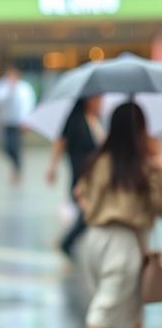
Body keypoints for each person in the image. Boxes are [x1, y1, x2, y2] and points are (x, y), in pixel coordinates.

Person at [46, 101, 162, 328]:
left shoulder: (99, 160)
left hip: (96, 244)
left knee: (109, 325)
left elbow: (81, 195)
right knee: (120, 327)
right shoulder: (145, 166)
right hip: (124, 245)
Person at [46, 95, 103, 258]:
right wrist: (52, 167)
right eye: (98, 99)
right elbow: (60, 142)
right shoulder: (75, 120)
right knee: (88, 213)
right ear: (89, 100)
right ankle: (66, 242)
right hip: (80, 175)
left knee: (88, 213)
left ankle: (68, 242)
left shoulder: (96, 120)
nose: (101, 103)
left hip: (94, 176)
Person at [0, 65, 35, 183]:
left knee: (15, 146)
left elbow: (28, 105)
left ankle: (17, 169)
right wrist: (9, 90)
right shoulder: (2, 86)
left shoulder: (24, 88)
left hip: (18, 123)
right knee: (5, 146)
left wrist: (27, 121)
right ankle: (15, 165)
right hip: (5, 122)